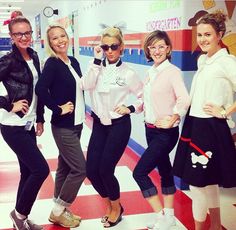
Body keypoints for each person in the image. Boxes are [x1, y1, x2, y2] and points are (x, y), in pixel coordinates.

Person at [173, 10, 236, 230]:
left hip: (212, 127)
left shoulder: (227, 62)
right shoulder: (202, 60)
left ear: (220, 34)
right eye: (199, 35)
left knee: (196, 184)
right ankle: (216, 225)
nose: (202, 39)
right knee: (206, 181)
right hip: (194, 123)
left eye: (208, 34)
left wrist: (226, 111)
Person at [85, 26, 143, 228]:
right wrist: (95, 62)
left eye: (113, 46)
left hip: (119, 126)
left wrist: (131, 107)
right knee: (91, 171)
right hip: (100, 125)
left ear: (121, 48)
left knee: (105, 169)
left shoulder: (129, 73)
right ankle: (111, 202)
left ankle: (116, 208)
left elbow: (143, 97)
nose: (109, 50)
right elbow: (85, 85)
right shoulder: (96, 68)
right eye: (105, 46)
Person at [132, 30, 190, 230]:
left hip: (165, 133)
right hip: (150, 130)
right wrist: (134, 107)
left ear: (168, 49)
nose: (157, 51)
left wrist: (174, 117)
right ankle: (170, 217)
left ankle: (161, 215)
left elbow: (184, 98)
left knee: (139, 173)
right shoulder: (151, 71)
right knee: (165, 170)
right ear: (148, 49)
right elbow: (146, 99)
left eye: (161, 46)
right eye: (152, 47)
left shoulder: (172, 71)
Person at [0, 16, 49, 229]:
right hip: (13, 126)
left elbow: (38, 91)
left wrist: (39, 118)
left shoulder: (35, 56)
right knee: (41, 169)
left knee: (28, 171)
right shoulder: (8, 60)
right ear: (11, 37)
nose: (24, 37)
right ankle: (20, 214)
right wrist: (8, 104)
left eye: (27, 32)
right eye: (18, 34)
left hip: (28, 125)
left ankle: (20, 218)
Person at [35, 25, 86, 228]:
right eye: (54, 38)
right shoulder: (53, 63)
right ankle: (57, 211)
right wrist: (57, 108)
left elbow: (81, 86)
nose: (60, 40)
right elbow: (40, 88)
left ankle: (61, 209)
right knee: (80, 169)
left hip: (78, 123)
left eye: (62, 36)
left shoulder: (72, 61)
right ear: (50, 43)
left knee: (65, 167)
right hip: (64, 126)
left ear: (68, 37)